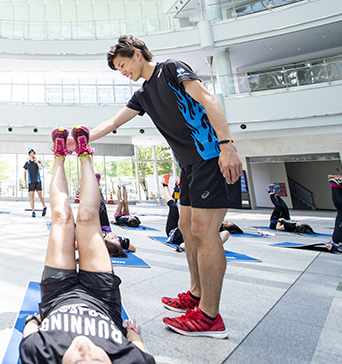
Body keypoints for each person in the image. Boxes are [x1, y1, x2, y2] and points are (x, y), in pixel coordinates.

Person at [85, 35, 241, 338]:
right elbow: (112, 123)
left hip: (210, 156)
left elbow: (207, 99)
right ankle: (196, 294)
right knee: (187, 227)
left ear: (138, 54)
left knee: (205, 232)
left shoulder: (170, 69)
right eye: (118, 69)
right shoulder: (143, 94)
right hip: (189, 166)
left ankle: (210, 317)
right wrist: (79, 139)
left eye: (123, 64)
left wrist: (228, 146)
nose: (123, 72)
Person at [19, 126, 154, 363]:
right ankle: (84, 155)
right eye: (95, 360)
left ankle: (59, 155)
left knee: (61, 218)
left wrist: (32, 321)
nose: (83, 347)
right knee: (88, 220)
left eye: (77, 360)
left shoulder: (40, 355)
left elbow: (28, 334)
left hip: (57, 294)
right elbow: (137, 345)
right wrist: (132, 332)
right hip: (102, 297)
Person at [163, 186, 238, 252]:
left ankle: (165, 185)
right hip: (187, 225)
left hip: (174, 230)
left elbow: (182, 246)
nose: (226, 222)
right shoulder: (212, 228)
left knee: (173, 206)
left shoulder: (195, 241)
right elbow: (226, 233)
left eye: (228, 224)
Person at [24, 149, 46, 217]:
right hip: (31, 182)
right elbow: (24, 173)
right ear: (29, 155)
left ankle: (44, 207)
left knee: (40, 195)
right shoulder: (27, 163)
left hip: (37, 181)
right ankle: (33, 211)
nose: (32, 155)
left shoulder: (37, 162)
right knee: (32, 197)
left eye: (33, 154)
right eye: (31, 154)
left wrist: (36, 161)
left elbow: (41, 168)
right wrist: (25, 183)